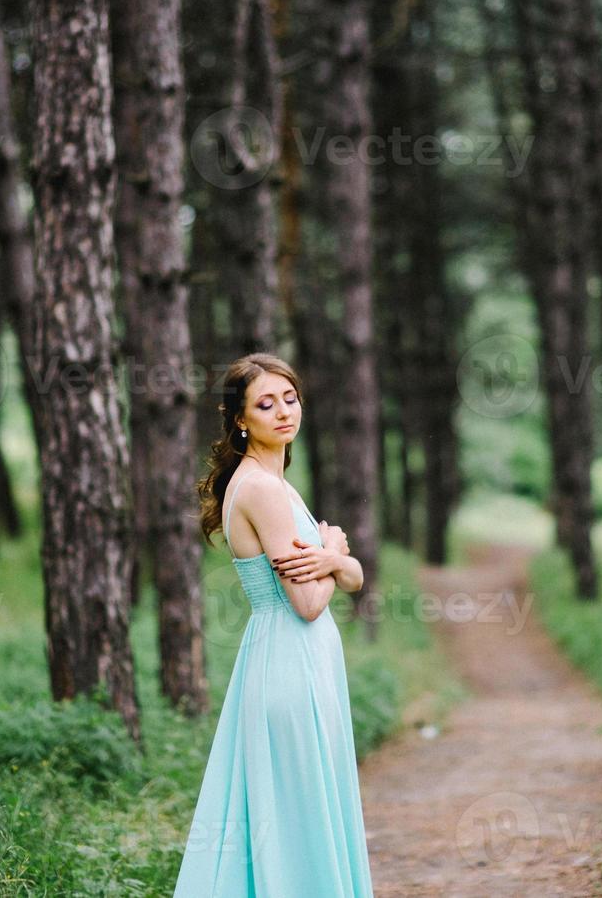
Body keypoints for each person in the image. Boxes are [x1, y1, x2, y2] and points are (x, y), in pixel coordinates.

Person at [174, 353, 374, 897]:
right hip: (289, 660)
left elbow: (353, 578)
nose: (283, 411)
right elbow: (308, 603)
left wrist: (334, 560)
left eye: (290, 399)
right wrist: (334, 550)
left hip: (298, 659)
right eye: (265, 404)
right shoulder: (261, 489)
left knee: (297, 811)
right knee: (296, 816)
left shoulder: (277, 484)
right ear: (241, 420)